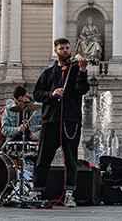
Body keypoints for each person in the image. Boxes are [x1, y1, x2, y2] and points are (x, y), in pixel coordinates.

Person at [32, 38, 90, 208]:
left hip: (70, 121)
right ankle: (37, 191)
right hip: (50, 120)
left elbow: (82, 90)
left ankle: (70, 194)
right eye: (61, 48)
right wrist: (51, 94)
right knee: (43, 158)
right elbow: (37, 94)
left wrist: (83, 70)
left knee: (70, 159)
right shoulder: (48, 73)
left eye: (67, 48)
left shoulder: (76, 70)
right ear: (56, 51)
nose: (65, 50)